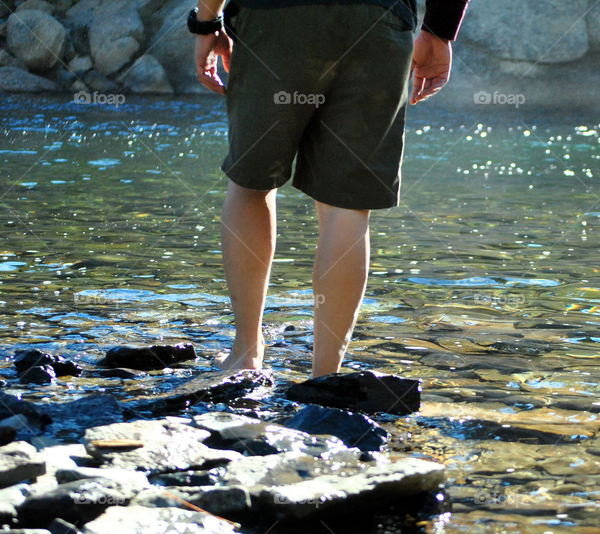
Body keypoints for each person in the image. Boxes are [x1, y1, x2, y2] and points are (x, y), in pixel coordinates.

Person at [190, 0, 468, 376]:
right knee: (346, 204)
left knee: (251, 183)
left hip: (275, 21)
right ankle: (325, 377)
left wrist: (207, 22)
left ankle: (246, 354)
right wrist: (439, 30)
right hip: (377, 17)